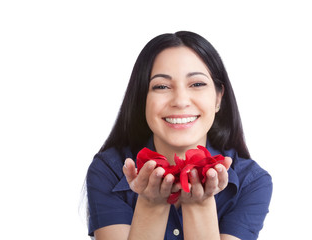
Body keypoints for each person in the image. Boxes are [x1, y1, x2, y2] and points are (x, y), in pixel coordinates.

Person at [86, 31, 272, 240]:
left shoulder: (252, 182)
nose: (181, 101)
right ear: (142, 99)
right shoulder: (109, 170)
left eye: (197, 84)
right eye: (162, 86)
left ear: (218, 97)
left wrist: (199, 204)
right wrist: (151, 204)